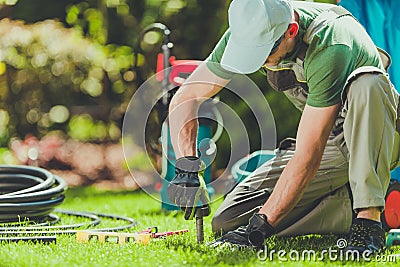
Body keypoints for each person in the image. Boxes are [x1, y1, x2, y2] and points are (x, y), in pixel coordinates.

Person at [167, 0, 400, 254]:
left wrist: (261, 226)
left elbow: (308, 155)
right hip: (332, 142)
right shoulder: (249, 26)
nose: (262, 62)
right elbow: (186, 97)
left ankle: (368, 219)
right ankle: (376, 201)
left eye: (265, 52)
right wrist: (186, 167)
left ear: (291, 30)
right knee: (229, 221)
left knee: (368, 83)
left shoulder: (331, 43)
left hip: (376, 136)